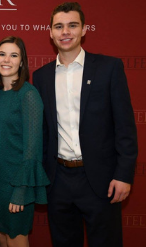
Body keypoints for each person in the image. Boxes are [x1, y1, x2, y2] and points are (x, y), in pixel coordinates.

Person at [33, 2, 138, 247]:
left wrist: (124, 175)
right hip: (58, 180)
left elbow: (125, 127)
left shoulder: (109, 68)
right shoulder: (41, 77)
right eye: (59, 26)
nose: (65, 32)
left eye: (72, 25)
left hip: (101, 180)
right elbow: (44, 132)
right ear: (50, 32)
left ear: (84, 30)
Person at [0, 36, 49, 247]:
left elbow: (33, 148)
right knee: (1, 237)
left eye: (14, 55)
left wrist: (21, 190)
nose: (6, 60)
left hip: (16, 182)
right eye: (2, 54)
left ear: (22, 62)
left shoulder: (28, 95)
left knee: (16, 239)